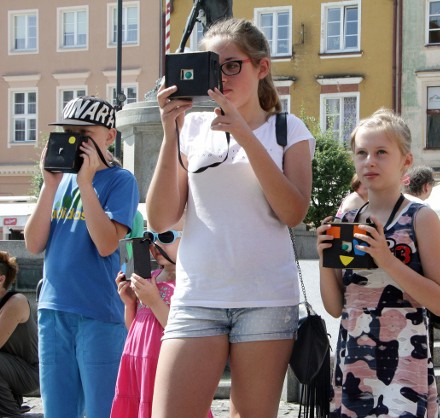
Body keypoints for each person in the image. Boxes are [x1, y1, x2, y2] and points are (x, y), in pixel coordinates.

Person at [147, 18, 315, 418]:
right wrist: (170, 133)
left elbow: (292, 213)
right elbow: (160, 218)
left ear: (262, 67)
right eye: (213, 65)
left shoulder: (287, 129)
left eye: (232, 65)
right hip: (197, 296)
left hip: (265, 300)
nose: (222, 76)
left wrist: (244, 135)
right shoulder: (192, 131)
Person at [316, 108, 440, 417]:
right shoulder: (348, 219)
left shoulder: (421, 218)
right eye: (361, 153)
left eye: (380, 152)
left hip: (404, 359)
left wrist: (386, 260)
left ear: (406, 160)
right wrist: (325, 260)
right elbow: (337, 307)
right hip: (353, 358)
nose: (369, 161)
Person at [24, 96, 140, 418]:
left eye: (83, 134)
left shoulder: (121, 181)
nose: (74, 142)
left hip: (97, 313)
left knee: (100, 409)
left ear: (109, 136)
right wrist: (49, 187)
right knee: (57, 410)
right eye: (68, 133)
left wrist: (87, 185)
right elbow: (33, 244)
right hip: (53, 309)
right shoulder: (61, 182)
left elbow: (106, 245)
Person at [111, 227, 213, 418]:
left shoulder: (189, 282)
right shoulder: (152, 278)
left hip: (166, 365)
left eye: (166, 237)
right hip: (138, 363)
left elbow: (182, 332)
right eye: (151, 238)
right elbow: (135, 327)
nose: (155, 245)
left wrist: (155, 301)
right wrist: (129, 303)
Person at [0, 251, 39, 416]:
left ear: (1, 279)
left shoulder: (16, 302)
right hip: (10, 369)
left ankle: (10, 413)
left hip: (31, 374)